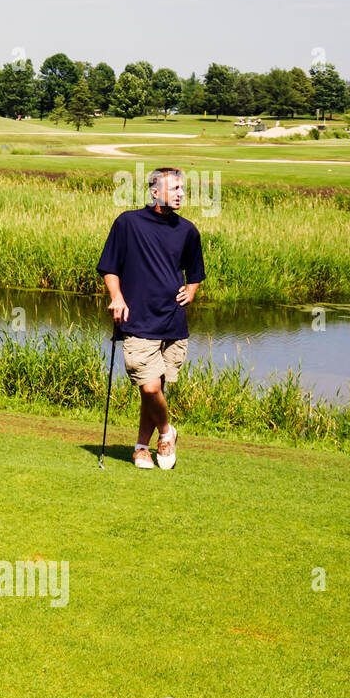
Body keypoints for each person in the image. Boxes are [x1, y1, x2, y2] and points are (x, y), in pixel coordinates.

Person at [97, 166, 205, 470]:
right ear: (154, 192)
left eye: (183, 189)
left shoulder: (188, 230)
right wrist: (116, 296)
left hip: (172, 321)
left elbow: (195, 271)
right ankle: (167, 432)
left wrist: (192, 290)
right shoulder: (128, 223)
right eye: (174, 189)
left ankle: (141, 448)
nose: (181, 194)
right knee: (149, 386)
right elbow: (109, 266)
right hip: (137, 319)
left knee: (156, 387)